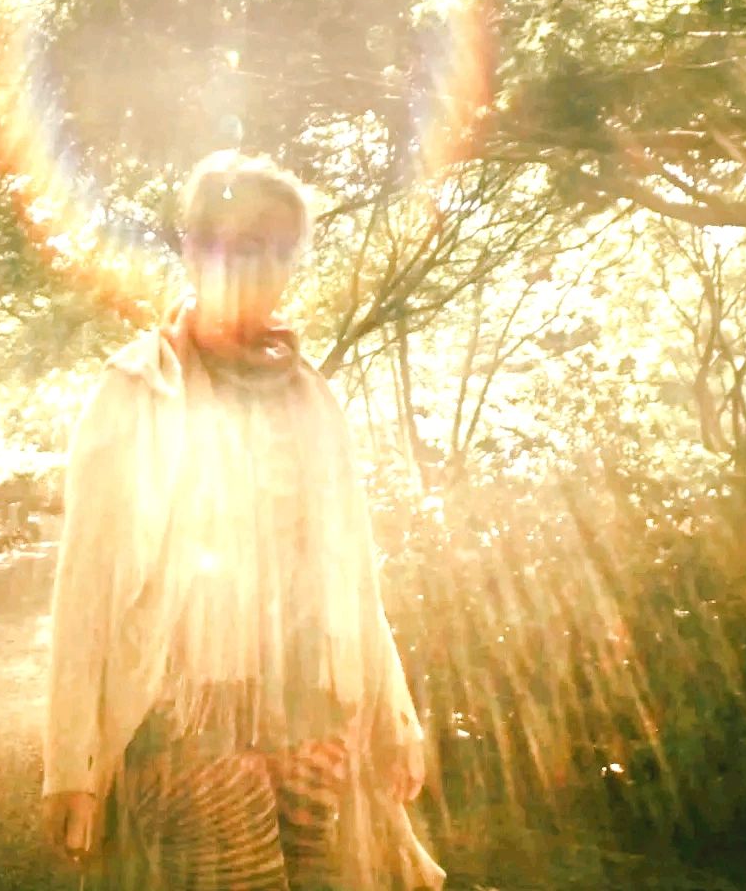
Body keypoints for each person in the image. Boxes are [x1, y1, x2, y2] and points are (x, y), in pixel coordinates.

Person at [40, 152, 445, 890]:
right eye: (236, 244)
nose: (257, 267)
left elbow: (352, 575)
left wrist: (395, 717)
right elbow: (87, 590)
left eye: (278, 250)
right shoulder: (137, 393)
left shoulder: (311, 397)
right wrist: (72, 766)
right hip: (184, 721)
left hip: (311, 710)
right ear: (193, 249)